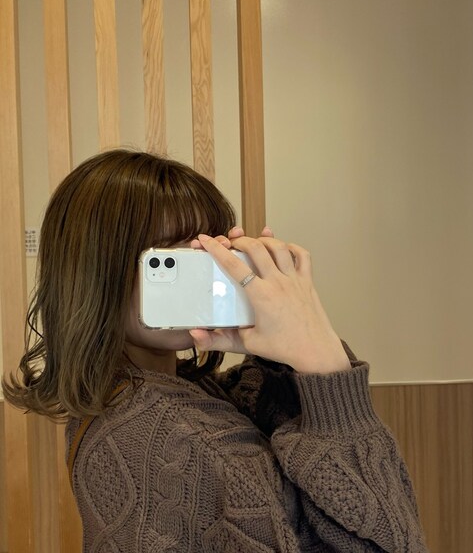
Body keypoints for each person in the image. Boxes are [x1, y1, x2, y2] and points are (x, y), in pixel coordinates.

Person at [3, 149, 428, 552]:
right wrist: (324, 366)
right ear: (96, 271)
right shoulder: (188, 440)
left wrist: (289, 342)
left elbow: (252, 412)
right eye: (167, 260)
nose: (202, 277)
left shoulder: (146, 397)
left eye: (207, 252)